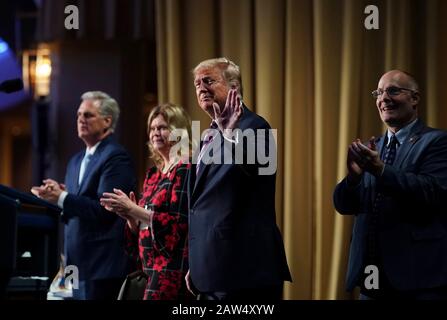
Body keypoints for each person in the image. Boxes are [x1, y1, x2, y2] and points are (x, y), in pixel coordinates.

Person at [333, 70, 447, 299]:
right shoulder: (369, 147)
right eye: (379, 92)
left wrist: (380, 170)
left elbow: (432, 192)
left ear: (414, 98)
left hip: (417, 277)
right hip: (371, 277)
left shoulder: (437, 141)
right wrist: (354, 178)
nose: (383, 98)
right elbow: (345, 206)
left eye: (393, 90)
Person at [186, 57, 292, 301]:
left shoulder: (256, 126)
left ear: (233, 87)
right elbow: (204, 205)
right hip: (212, 270)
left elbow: (259, 170)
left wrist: (231, 135)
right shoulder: (207, 136)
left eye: (208, 81)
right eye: (196, 83)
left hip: (244, 270)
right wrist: (198, 261)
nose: (201, 87)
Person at [31, 91, 137, 300]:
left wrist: (62, 198)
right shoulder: (75, 160)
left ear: (107, 121)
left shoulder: (116, 156)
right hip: (73, 264)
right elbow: (78, 202)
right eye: (79, 115)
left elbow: (105, 210)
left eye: (88, 115)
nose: (80, 119)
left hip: (101, 266)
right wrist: (60, 195)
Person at [100, 103, 192, 300]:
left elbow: (178, 226)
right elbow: (142, 227)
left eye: (162, 127)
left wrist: (134, 209)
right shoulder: (153, 175)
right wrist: (129, 216)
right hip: (148, 268)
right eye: (152, 128)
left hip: (171, 271)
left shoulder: (185, 169)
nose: (155, 133)